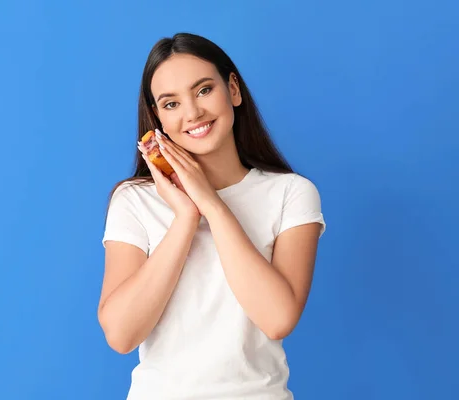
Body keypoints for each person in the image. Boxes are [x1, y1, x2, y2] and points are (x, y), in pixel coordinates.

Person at [97, 32, 326, 400]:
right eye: (170, 104)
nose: (192, 113)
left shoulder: (291, 193)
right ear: (157, 117)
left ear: (233, 90)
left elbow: (277, 318)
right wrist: (186, 216)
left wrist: (213, 206)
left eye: (203, 90)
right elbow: (121, 335)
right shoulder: (134, 200)